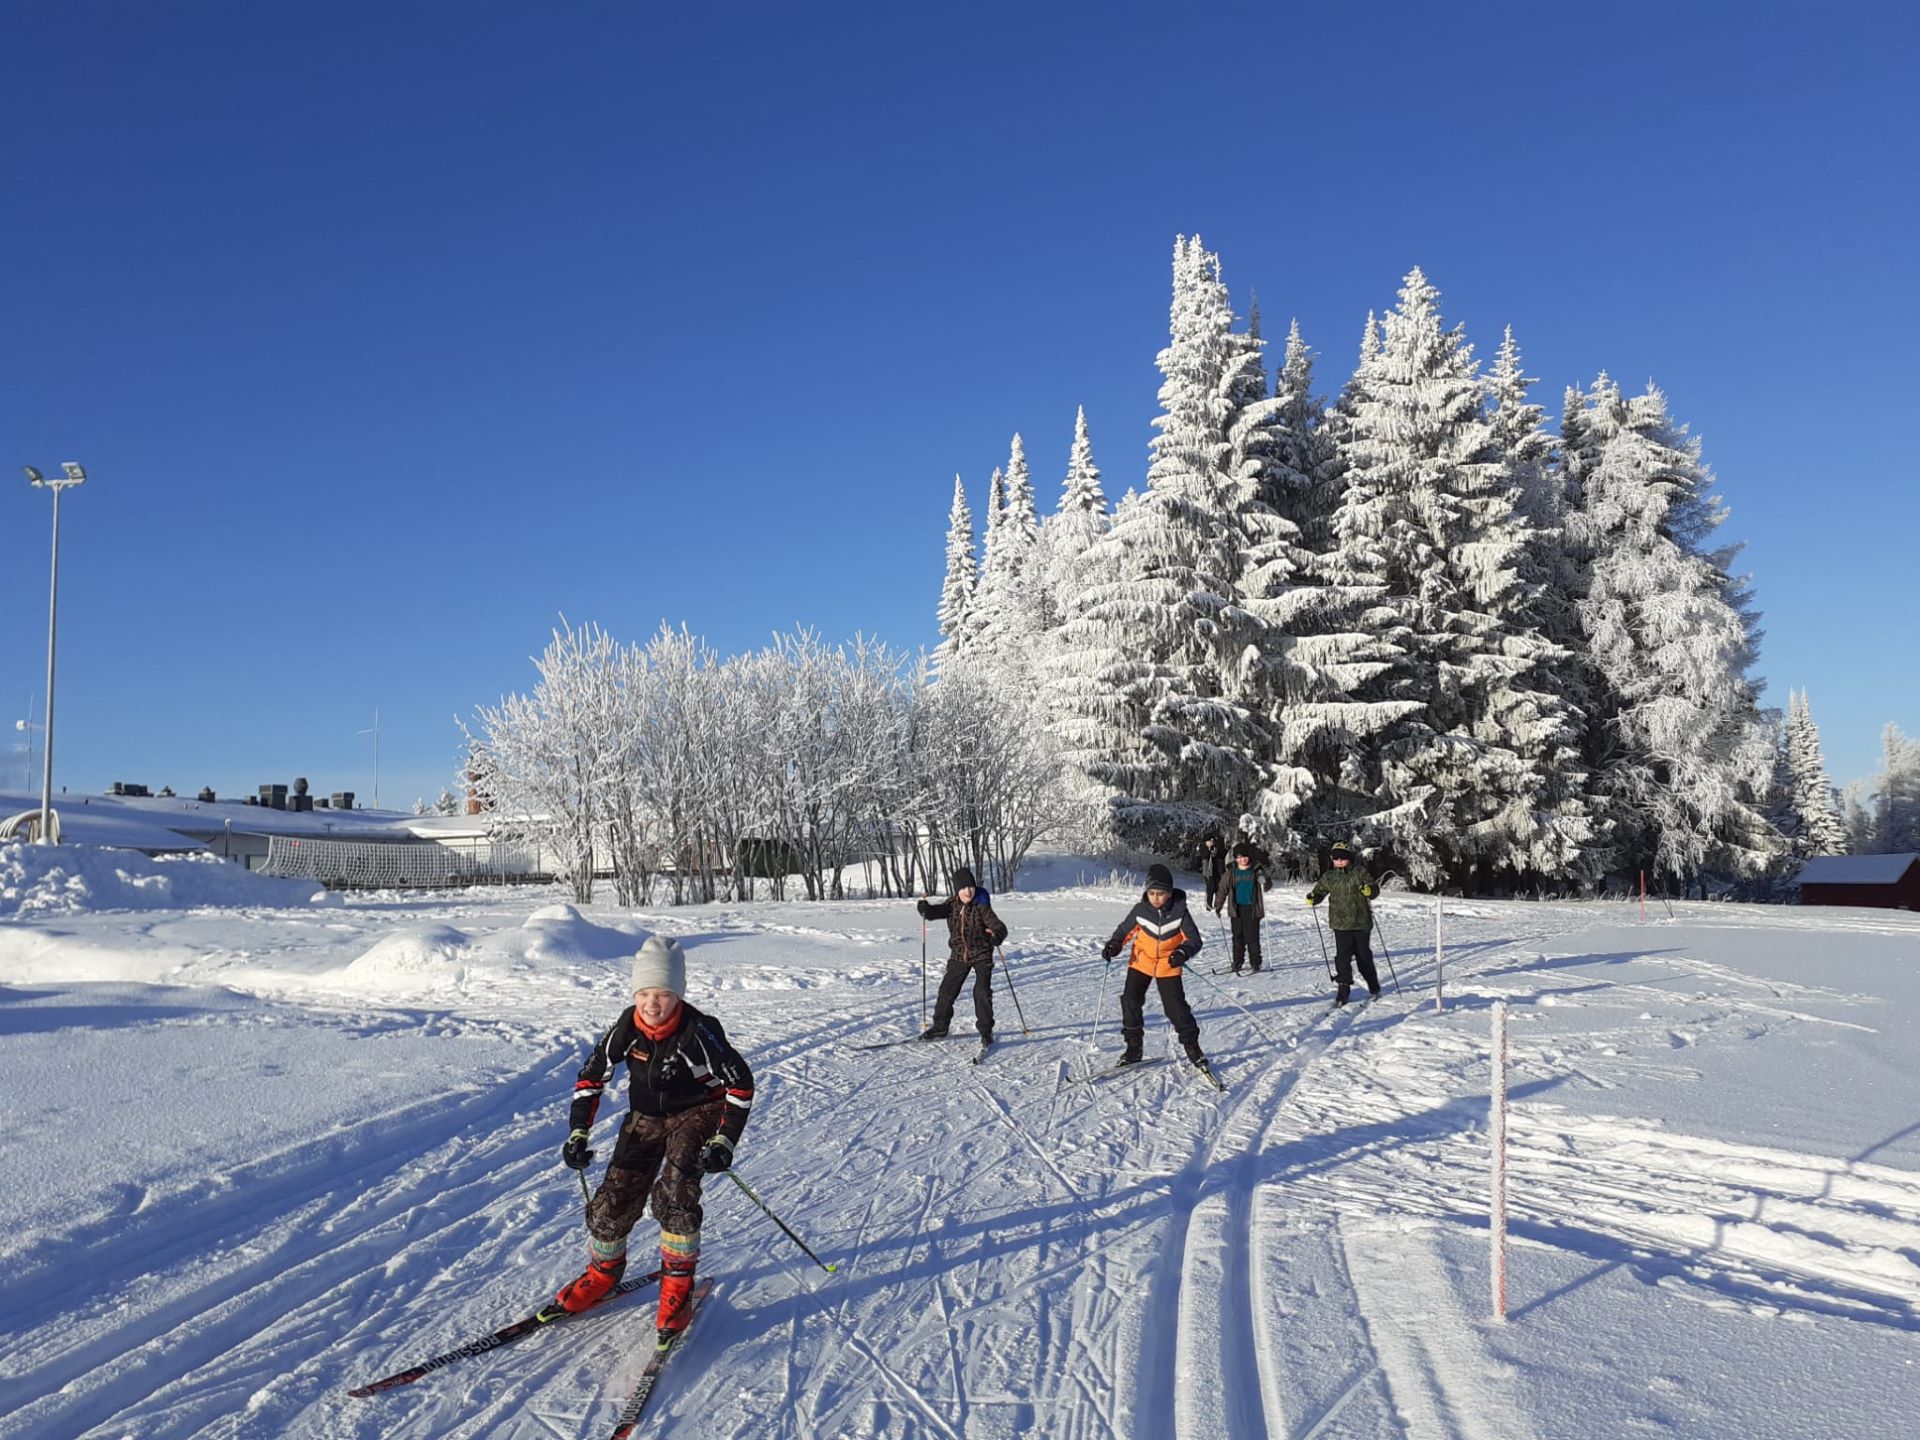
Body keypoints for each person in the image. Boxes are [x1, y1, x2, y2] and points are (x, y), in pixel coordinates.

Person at [556, 935, 756, 1344]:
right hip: (646, 1116)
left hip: (697, 1111)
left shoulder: (699, 1030)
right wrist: (578, 1130)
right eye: (644, 992)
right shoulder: (628, 1025)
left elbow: (741, 1085)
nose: (652, 1003)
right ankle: (602, 1275)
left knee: (675, 1194)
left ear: (677, 995)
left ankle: (678, 1290)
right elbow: (591, 1077)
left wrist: (724, 1141)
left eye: (662, 994)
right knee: (613, 1198)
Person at [1100, 862, 1208, 1070]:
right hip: (1141, 962)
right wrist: (1114, 946)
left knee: (1175, 1008)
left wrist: (1182, 952)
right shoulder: (1140, 911)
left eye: (1160, 894)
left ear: (1169, 894)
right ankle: (1133, 1048)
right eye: (1152, 893)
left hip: (1168, 964)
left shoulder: (1180, 912)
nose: (1156, 898)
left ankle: (1193, 1047)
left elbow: (1194, 940)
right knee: (1130, 1001)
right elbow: (1124, 932)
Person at [916, 866, 1009, 1046]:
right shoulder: (951, 905)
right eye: (964, 888)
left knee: (981, 992)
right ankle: (940, 1027)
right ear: (957, 890)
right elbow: (935, 913)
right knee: (946, 992)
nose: (968, 891)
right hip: (959, 955)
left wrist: (996, 935)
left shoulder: (981, 906)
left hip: (982, 954)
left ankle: (986, 1031)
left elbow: (999, 926)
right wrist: (925, 909)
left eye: (971, 887)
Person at [1305, 840, 1381, 1005]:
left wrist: (1370, 891)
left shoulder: (1359, 872)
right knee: (1342, 958)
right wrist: (1313, 898)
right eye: (1336, 858)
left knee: (1363, 957)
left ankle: (1374, 986)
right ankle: (1343, 989)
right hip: (1340, 924)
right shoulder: (1329, 876)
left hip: (1361, 922)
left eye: (1343, 858)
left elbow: (1373, 888)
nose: (1339, 861)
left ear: (1350, 858)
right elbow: (1319, 891)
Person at [1222, 841, 1268, 974]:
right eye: (1239, 857)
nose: (1243, 860)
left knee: (1252, 937)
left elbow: (1267, 883)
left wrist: (1264, 881)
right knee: (1237, 937)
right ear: (1235, 858)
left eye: (1245, 856)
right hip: (1236, 909)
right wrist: (1218, 904)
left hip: (1252, 909)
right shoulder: (1231, 872)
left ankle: (1255, 962)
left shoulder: (1256, 869)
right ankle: (1237, 961)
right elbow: (1222, 888)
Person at [1196, 835, 1228, 913]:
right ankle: (1208, 904)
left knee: (1218, 888)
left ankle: (1217, 905)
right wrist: (1209, 850)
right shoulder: (1203, 848)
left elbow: (1223, 854)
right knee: (1210, 888)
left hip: (1217, 871)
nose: (1211, 842)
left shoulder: (1217, 848)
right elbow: (1204, 856)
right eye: (1209, 841)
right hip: (1208, 872)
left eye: (1212, 841)